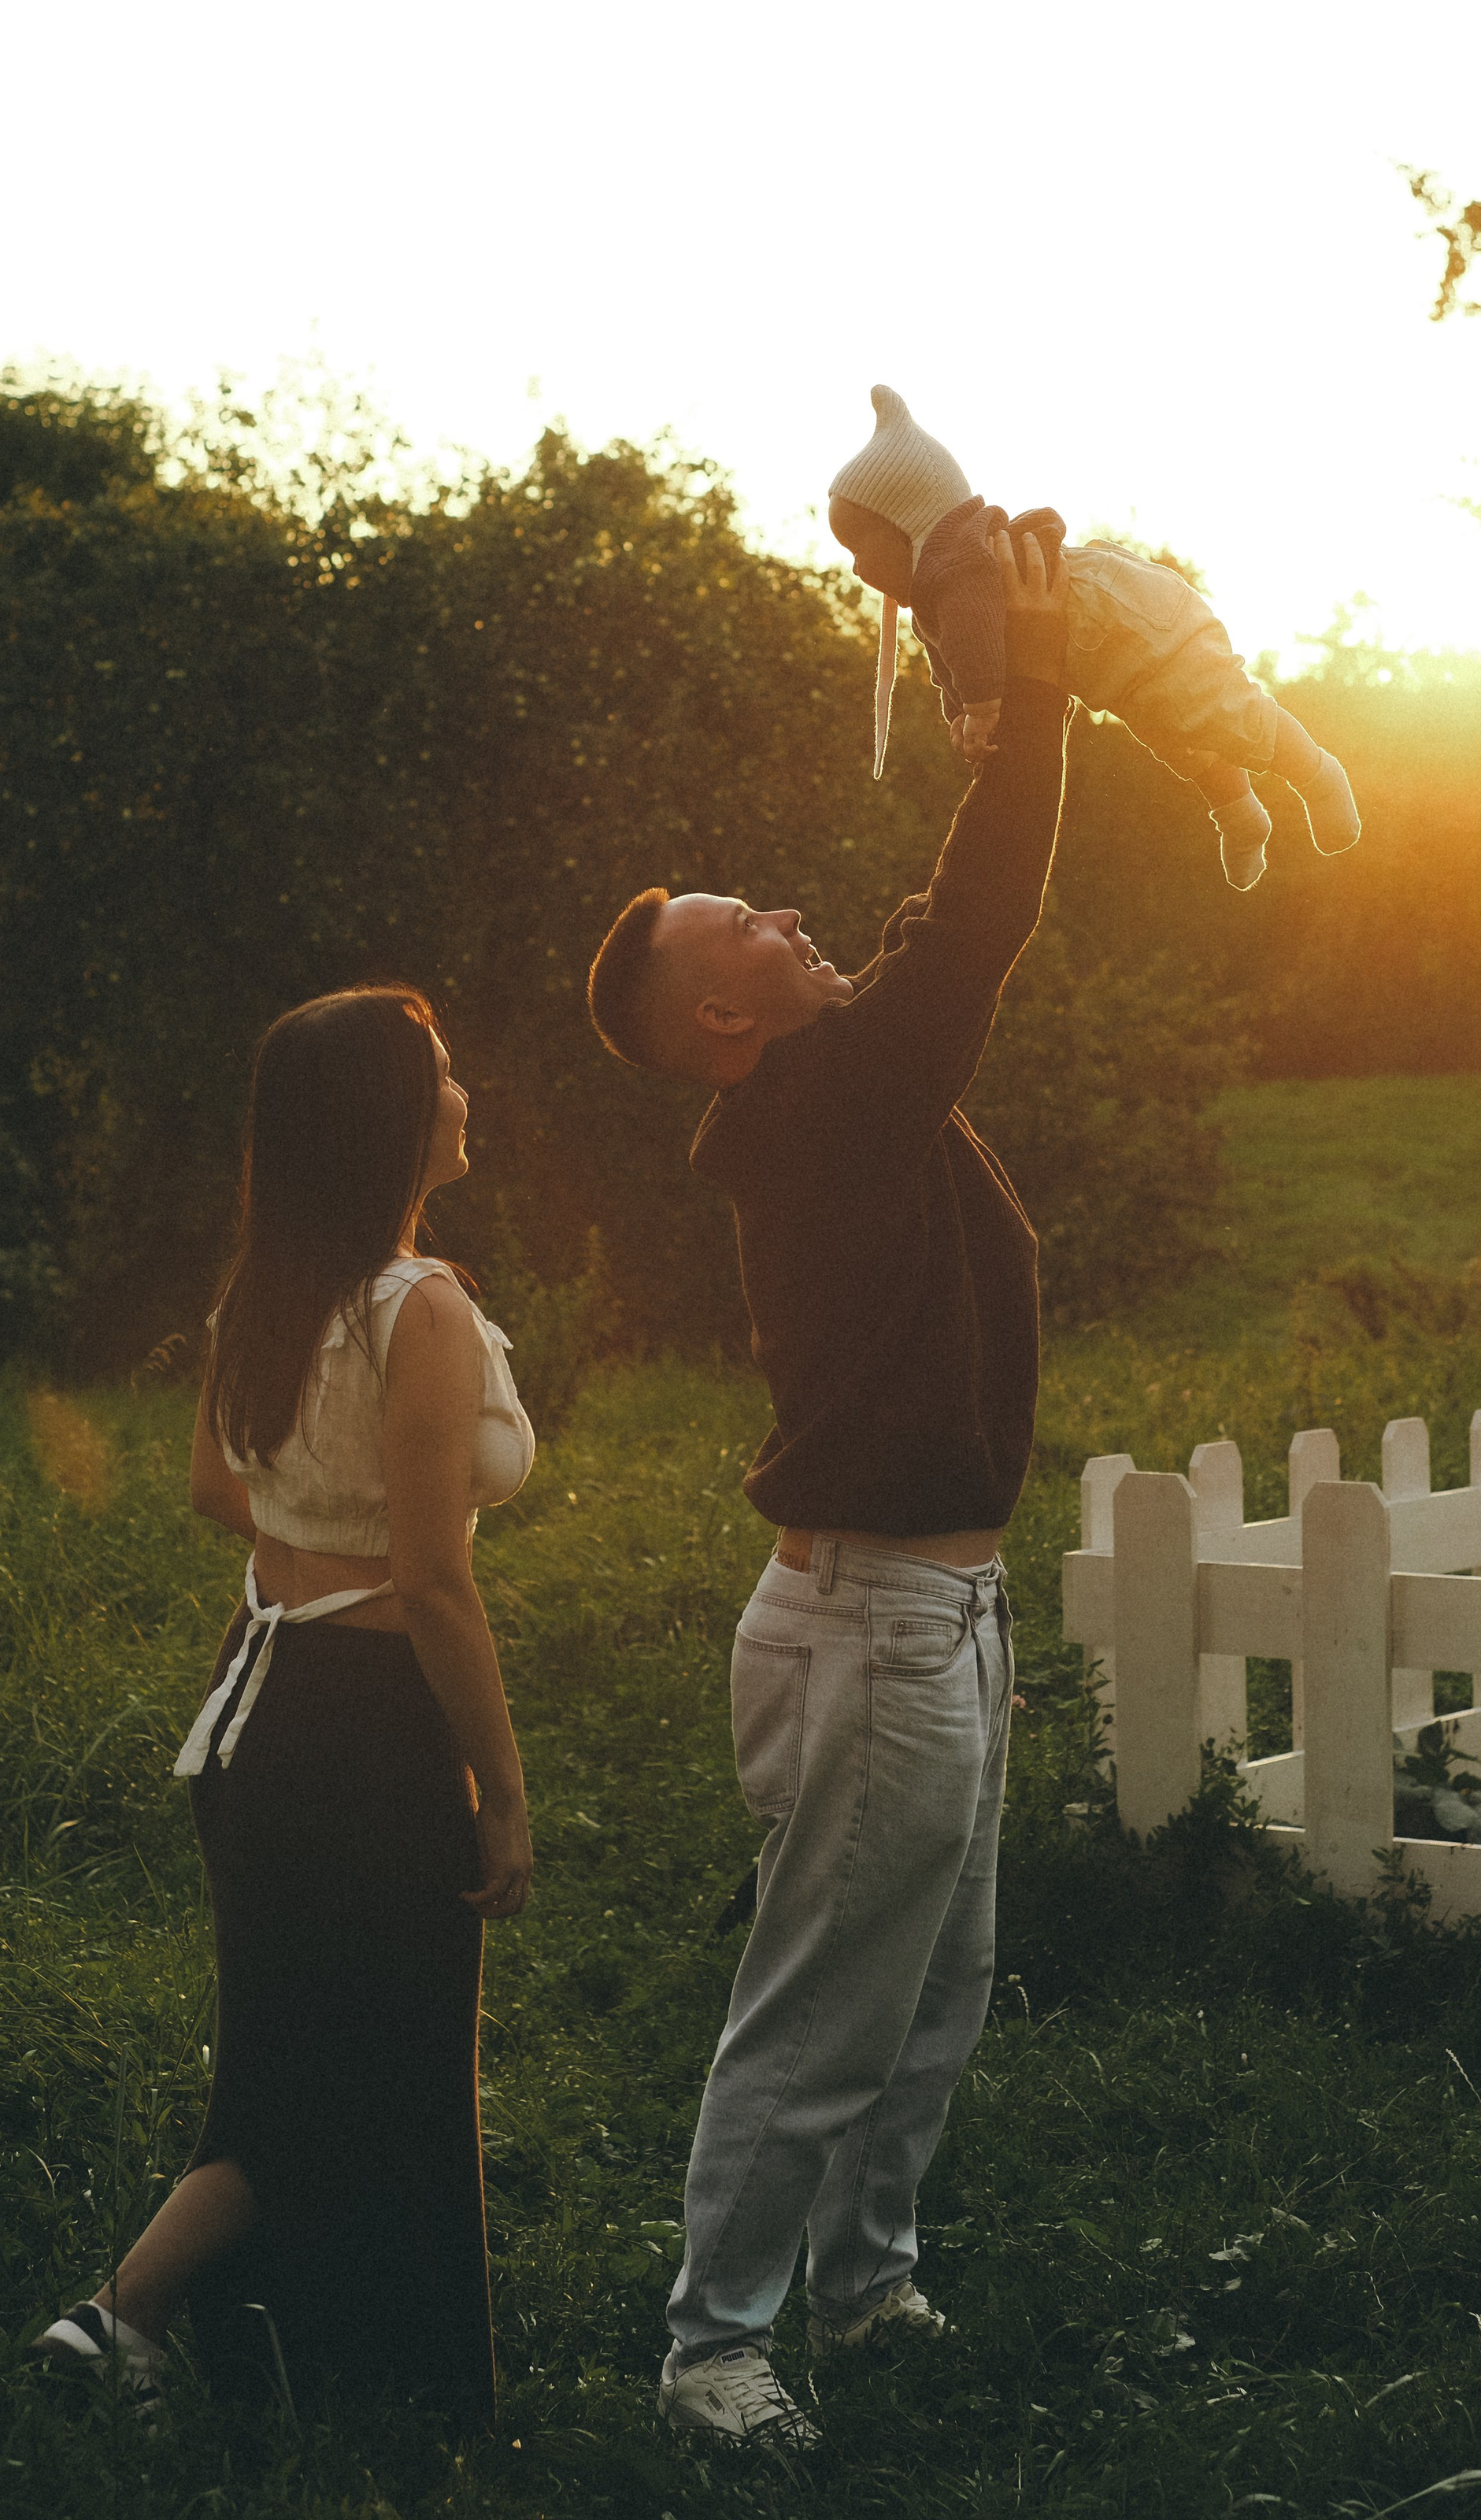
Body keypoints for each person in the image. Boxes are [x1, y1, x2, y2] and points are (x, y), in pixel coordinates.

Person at [583, 527, 1072, 2448]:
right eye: (752, 932)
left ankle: (863, 2290)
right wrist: (1028, 698)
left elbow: (911, 947)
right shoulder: (813, 1100)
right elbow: (971, 925)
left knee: (926, 2001)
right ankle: (715, 2345)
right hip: (869, 1621)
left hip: (931, 1609)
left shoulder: (822, 1094)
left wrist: (977, 712)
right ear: (723, 1018)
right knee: (816, 2013)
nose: (794, 922)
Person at [28, 984, 535, 2424]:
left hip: (255, 1704)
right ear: (387, 1117)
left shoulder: (264, 1292)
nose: (461, 1089)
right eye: (440, 1068)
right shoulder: (417, 1310)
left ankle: (262, 2366)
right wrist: (502, 1790)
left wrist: (306, 1542)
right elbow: (438, 1583)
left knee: (291, 2051)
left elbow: (212, 1494)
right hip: (368, 1728)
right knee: (379, 2063)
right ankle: (125, 2314)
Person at [828, 383, 1361, 892]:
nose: (855, 569)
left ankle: (1316, 773)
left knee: (1226, 709)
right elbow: (953, 663)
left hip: (1140, 623)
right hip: (1110, 661)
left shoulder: (959, 566)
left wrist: (981, 710)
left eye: (861, 547)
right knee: (1174, 735)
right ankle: (1240, 814)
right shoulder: (934, 596)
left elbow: (977, 650)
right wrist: (961, 714)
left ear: (909, 524)